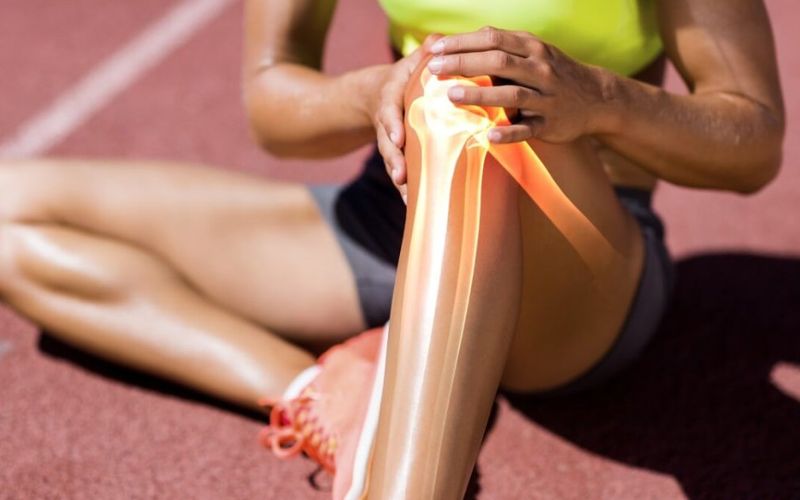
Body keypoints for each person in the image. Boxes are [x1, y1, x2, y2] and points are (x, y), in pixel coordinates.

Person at [0, 0, 784, 498]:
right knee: (12, 213)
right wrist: (375, 91)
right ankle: (325, 393)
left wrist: (600, 98)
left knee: (467, 105)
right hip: (394, 215)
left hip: (578, 263)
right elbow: (272, 99)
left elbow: (752, 138)